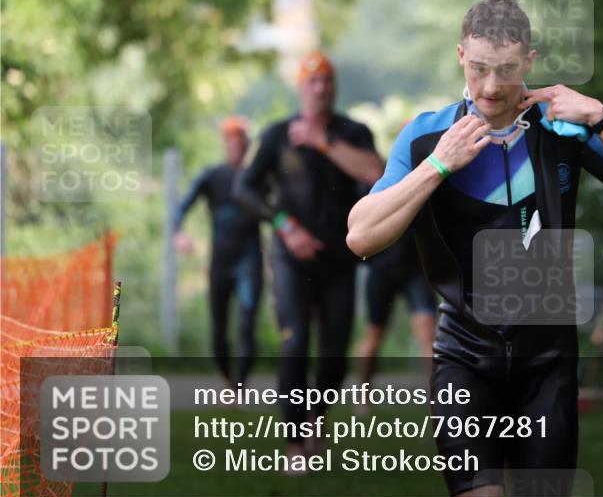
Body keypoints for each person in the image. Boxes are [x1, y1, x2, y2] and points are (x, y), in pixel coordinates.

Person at [346, 0, 603, 497]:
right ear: (460, 58)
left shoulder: (562, 129)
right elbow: (361, 236)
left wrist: (602, 118)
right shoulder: (428, 135)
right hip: (464, 356)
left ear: (528, 61)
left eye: (505, 70)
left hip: (546, 360)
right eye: (478, 69)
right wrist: (437, 165)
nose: (491, 87)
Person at [234, 50, 383, 473]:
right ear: (301, 88)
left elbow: (376, 173)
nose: (320, 88)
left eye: (327, 82)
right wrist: (285, 226)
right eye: (312, 82)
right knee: (294, 342)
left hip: (340, 254)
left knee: (334, 355)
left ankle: (316, 415)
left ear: (333, 88)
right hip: (290, 254)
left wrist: (323, 142)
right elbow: (245, 190)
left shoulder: (353, 131)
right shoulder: (277, 135)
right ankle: (295, 442)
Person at [172, 116, 262, 389]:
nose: (236, 146)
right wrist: (179, 233)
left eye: (241, 141)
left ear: (247, 144)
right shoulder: (212, 176)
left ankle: (240, 386)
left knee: (247, 326)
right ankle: (228, 381)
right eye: (231, 141)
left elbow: (283, 204)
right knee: (219, 332)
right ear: (225, 144)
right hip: (220, 263)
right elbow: (181, 207)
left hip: (250, 261)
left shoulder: (258, 177)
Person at [354, 227, 438, 412]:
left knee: (428, 331)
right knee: (374, 336)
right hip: (382, 269)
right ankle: (362, 393)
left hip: (416, 270)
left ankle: (437, 398)